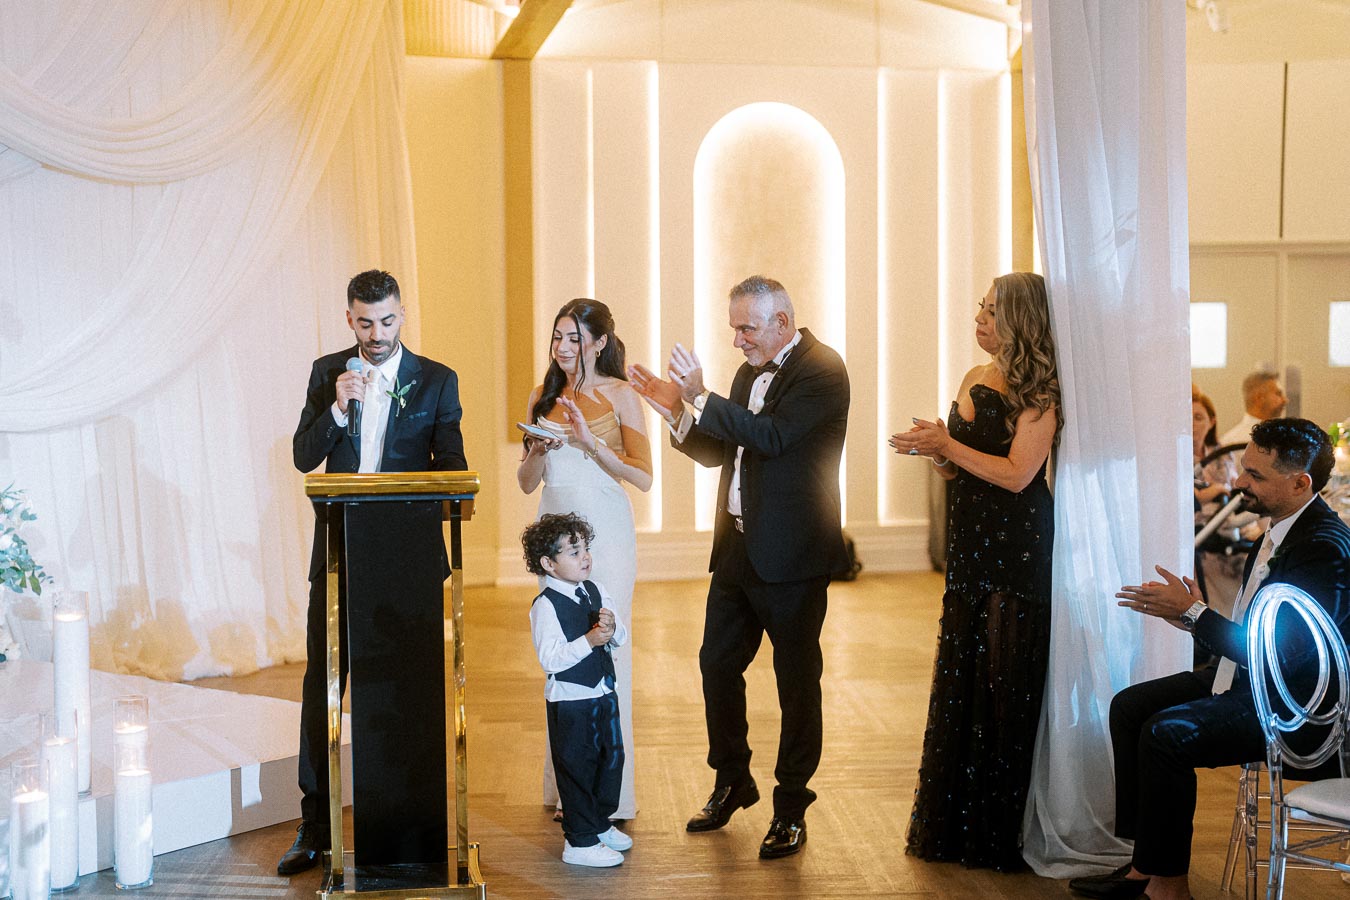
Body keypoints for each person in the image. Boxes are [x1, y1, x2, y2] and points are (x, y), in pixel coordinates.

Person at [1070, 418, 1350, 900]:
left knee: (1166, 736)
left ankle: (1169, 887)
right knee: (1130, 708)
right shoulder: (1286, 526)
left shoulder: (1323, 548)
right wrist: (1193, 618)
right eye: (1245, 470)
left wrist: (1197, 614)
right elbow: (1259, 634)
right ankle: (1145, 866)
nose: (1240, 482)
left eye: (1256, 475)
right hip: (1252, 679)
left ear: (1300, 482)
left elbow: (1283, 657)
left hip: (1297, 708)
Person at [627, 275, 850, 860]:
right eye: (734, 328)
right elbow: (724, 449)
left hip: (795, 556)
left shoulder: (823, 369)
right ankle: (733, 779)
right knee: (715, 665)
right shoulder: (750, 371)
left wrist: (699, 397)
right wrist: (676, 412)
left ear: (782, 321)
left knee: (795, 684)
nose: (738, 341)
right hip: (738, 552)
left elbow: (771, 437)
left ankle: (792, 806)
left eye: (746, 328)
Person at [280, 270, 467, 876]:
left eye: (387, 321)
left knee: (407, 694)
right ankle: (315, 826)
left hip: (408, 561)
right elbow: (304, 455)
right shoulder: (326, 372)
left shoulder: (437, 380)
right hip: (339, 551)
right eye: (365, 322)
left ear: (402, 315)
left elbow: (453, 467)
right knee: (324, 686)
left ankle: (407, 824)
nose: (377, 333)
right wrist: (338, 408)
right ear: (349, 319)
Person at [890, 271, 1061, 871]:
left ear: (1017, 320)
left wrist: (948, 442)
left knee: (1003, 677)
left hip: (1016, 544)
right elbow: (959, 470)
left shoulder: (1042, 390)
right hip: (969, 539)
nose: (978, 317)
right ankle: (955, 824)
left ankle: (997, 831)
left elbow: (1018, 474)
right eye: (980, 307)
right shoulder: (972, 376)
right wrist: (933, 450)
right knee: (963, 669)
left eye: (989, 310)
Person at [517, 298, 652, 821]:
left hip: (605, 535)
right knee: (562, 649)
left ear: (598, 343)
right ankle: (567, 788)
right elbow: (526, 482)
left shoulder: (622, 395)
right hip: (553, 532)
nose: (563, 347)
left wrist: (588, 442)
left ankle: (610, 794)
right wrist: (537, 452)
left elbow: (642, 476)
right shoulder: (539, 395)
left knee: (607, 649)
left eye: (574, 338)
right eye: (557, 337)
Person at [521, 512, 633, 868]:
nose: (584, 556)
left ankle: (599, 824)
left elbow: (621, 637)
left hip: (603, 692)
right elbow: (550, 659)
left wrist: (613, 630)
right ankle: (580, 842)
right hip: (571, 701)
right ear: (548, 564)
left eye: (584, 547)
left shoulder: (596, 590)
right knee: (577, 768)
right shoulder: (545, 607)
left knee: (611, 759)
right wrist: (589, 640)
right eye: (572, 552)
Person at [1219, 370, 1287, 445]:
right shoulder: (1231, 443)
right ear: (1259, 398)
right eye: (1278, 394)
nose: (1285, 400)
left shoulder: (1287, 437)